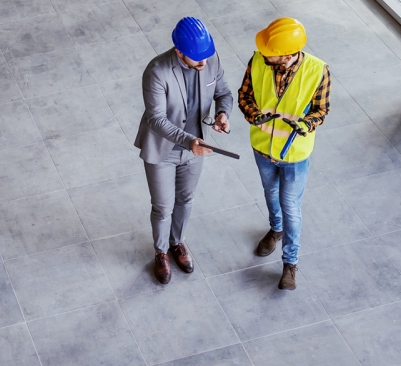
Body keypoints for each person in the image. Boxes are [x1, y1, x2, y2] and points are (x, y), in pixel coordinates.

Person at [134, 17, 234, 284]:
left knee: (186, 200)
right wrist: (189, 141)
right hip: (164, 150)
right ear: (179, 52)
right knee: (163, 206)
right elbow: (156, 119)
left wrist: (223, 113)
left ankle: (177, 242)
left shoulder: (209, 59)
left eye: (206, 57)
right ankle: (161, 252)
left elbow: (223, 93)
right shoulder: (157, 71)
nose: (203, 64)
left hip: (195, 149)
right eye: (197, 59)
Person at [239, 17, 331, 290]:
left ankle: (290, 263)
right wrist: (254, 116)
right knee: (270, 194)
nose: (264, 55)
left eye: (270, 53)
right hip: (262, 148)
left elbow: (321, 110)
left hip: (294, 156)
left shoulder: (318, 71)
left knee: (290, 206)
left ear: (287, 56)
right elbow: (245, 96)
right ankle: (275, 228)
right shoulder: (257, 61)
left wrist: (305, 125)